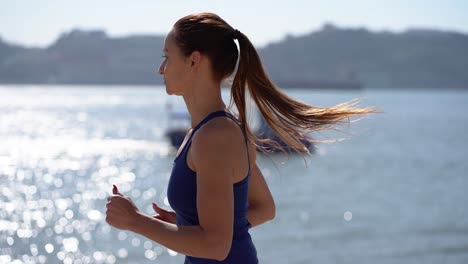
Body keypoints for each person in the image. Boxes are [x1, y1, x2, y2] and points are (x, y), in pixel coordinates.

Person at [105, 12, 376, 263]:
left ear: (194, 60)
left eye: (167, 56)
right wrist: (188, 223)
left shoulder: (215, 136)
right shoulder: (213, 130)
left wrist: (134, 221)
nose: (161, 69)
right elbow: (264, 208)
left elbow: (215, 246)